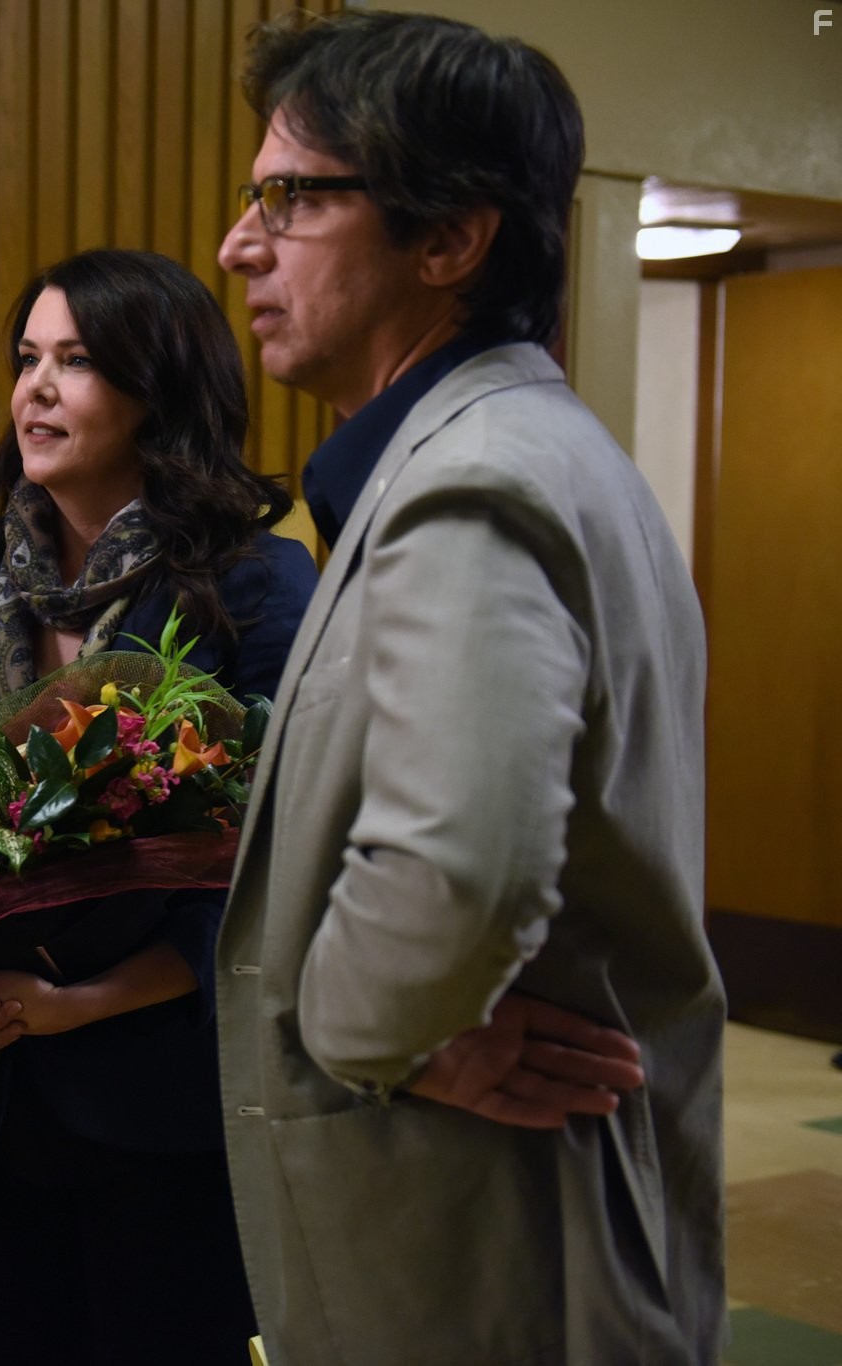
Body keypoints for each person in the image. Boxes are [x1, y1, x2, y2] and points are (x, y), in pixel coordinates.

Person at [212, 11, 724, 1363]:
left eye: (287, 197)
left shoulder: (471, 478)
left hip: (487, 1247)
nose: (238, 243)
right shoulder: (530, 446)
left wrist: (359, 1028)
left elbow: (461, 863)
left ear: (448, 240)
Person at [0, 248, 317, 1364]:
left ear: (154, 388)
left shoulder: (255, 590)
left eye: (74, 361)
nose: (35, 387)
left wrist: (82, 1001)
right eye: (27, 358)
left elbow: (265, 870)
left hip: (165, 1100)